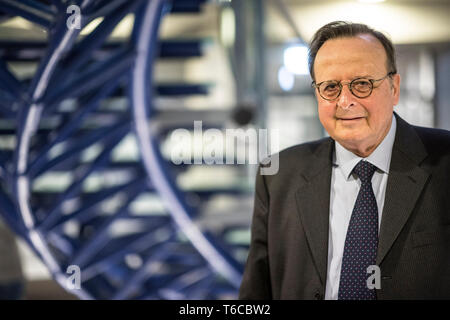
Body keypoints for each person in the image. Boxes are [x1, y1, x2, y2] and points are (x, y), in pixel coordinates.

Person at [239, 21, 450, 300]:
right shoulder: (278, 175)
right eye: (330, 87)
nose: (345, 101)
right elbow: (256, 293)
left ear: (394, 88)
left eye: (362, 84)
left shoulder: (445, 162)